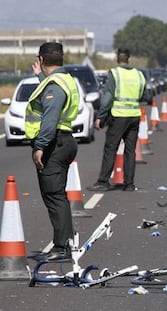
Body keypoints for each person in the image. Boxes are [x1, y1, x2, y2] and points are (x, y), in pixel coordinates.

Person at [25, 42, 79, 260]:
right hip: (63, 141)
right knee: (57, 195)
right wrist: (40, 76)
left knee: (54, 196)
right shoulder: (62, 79)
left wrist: (40, 146)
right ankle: (65, 242)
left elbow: (50, 118)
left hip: (54, 144)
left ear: (42, 59)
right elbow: (50, 96)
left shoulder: (55, 84)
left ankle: (62, 246)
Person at [87, 48, 146, 192]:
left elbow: (107, 97)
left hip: (119, 116)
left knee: (110, 148)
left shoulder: (115, 73)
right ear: (129, 58)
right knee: (130, 150)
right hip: (134, 116)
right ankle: (129, 184)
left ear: (117, 59)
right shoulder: (139, 75)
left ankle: (103, 181)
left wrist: (101, 116)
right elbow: (145, 95)